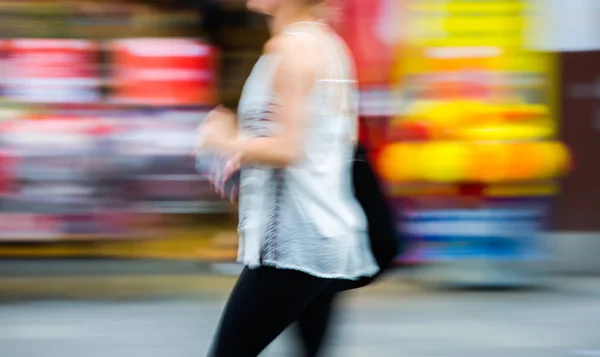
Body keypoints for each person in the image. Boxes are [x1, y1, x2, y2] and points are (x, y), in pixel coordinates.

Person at [196, 0, 380, 355]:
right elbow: (342, 141)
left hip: (291, 244)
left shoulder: (288, 49)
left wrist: (225, 141)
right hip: (328, 234)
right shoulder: (330, 45)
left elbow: (289, 149)